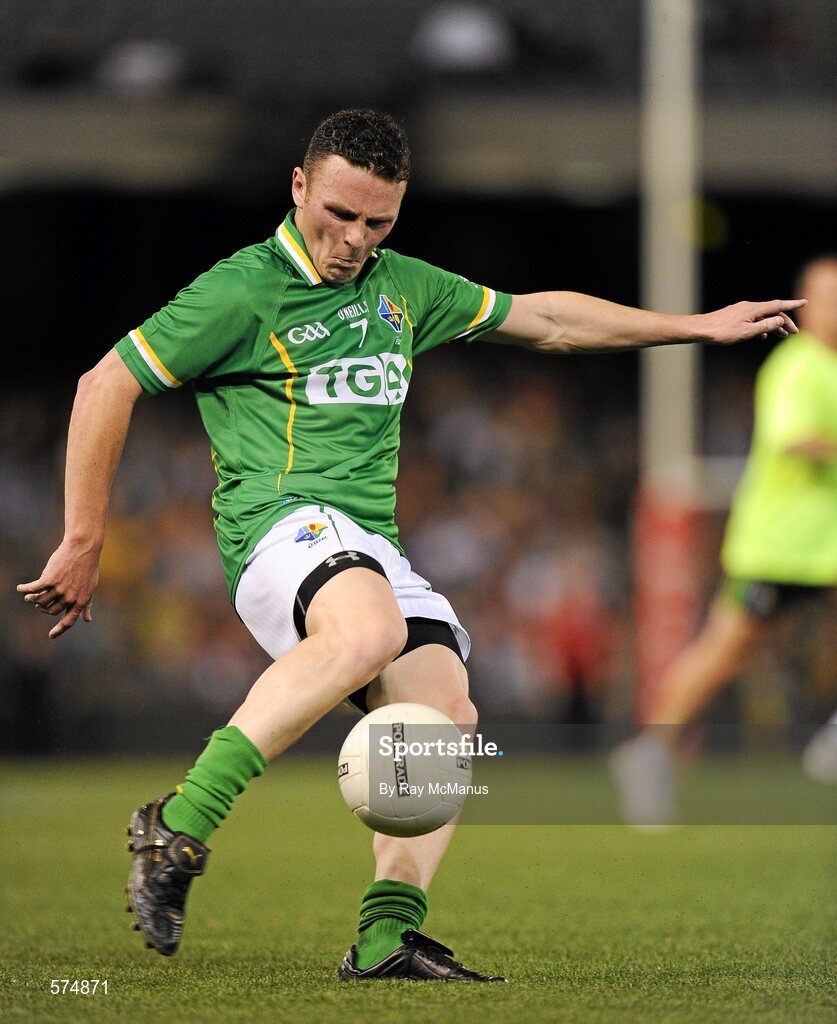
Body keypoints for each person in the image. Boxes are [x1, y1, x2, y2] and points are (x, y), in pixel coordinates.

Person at [17, 108, 804, 981]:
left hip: (367, 544)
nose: (354, 239)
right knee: (368, 634)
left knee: (444, 723)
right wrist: (83, 538)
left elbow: (545, 319)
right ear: (298, 187)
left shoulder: (403, 287)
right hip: (279, 524)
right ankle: (181, 821)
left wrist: (694, 326)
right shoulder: (241, 290)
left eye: (377, 222)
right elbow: (104, 383)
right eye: (338, 215)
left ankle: (386, 935)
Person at [611, 255, 837, 826]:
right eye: (824, 297)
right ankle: (651, 752)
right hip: (784, 544)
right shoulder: (796, 367)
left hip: (827, 544)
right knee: (724, 652)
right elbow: (797, 441)